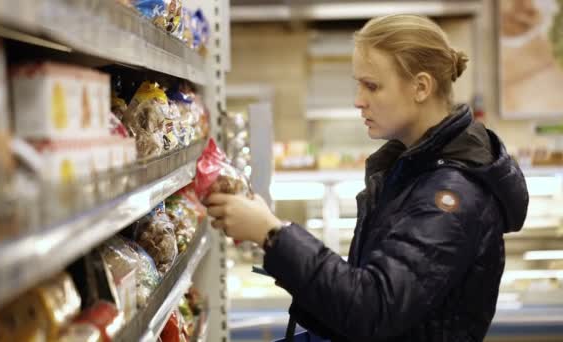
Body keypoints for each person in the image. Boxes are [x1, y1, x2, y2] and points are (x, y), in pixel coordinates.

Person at [206, 14, 529, 342]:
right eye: (358, 84)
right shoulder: (408, 170)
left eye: (372, 86)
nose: (358, 100)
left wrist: (272, 233)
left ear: (421, 87)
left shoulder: (450, 196)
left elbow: (373, 309)